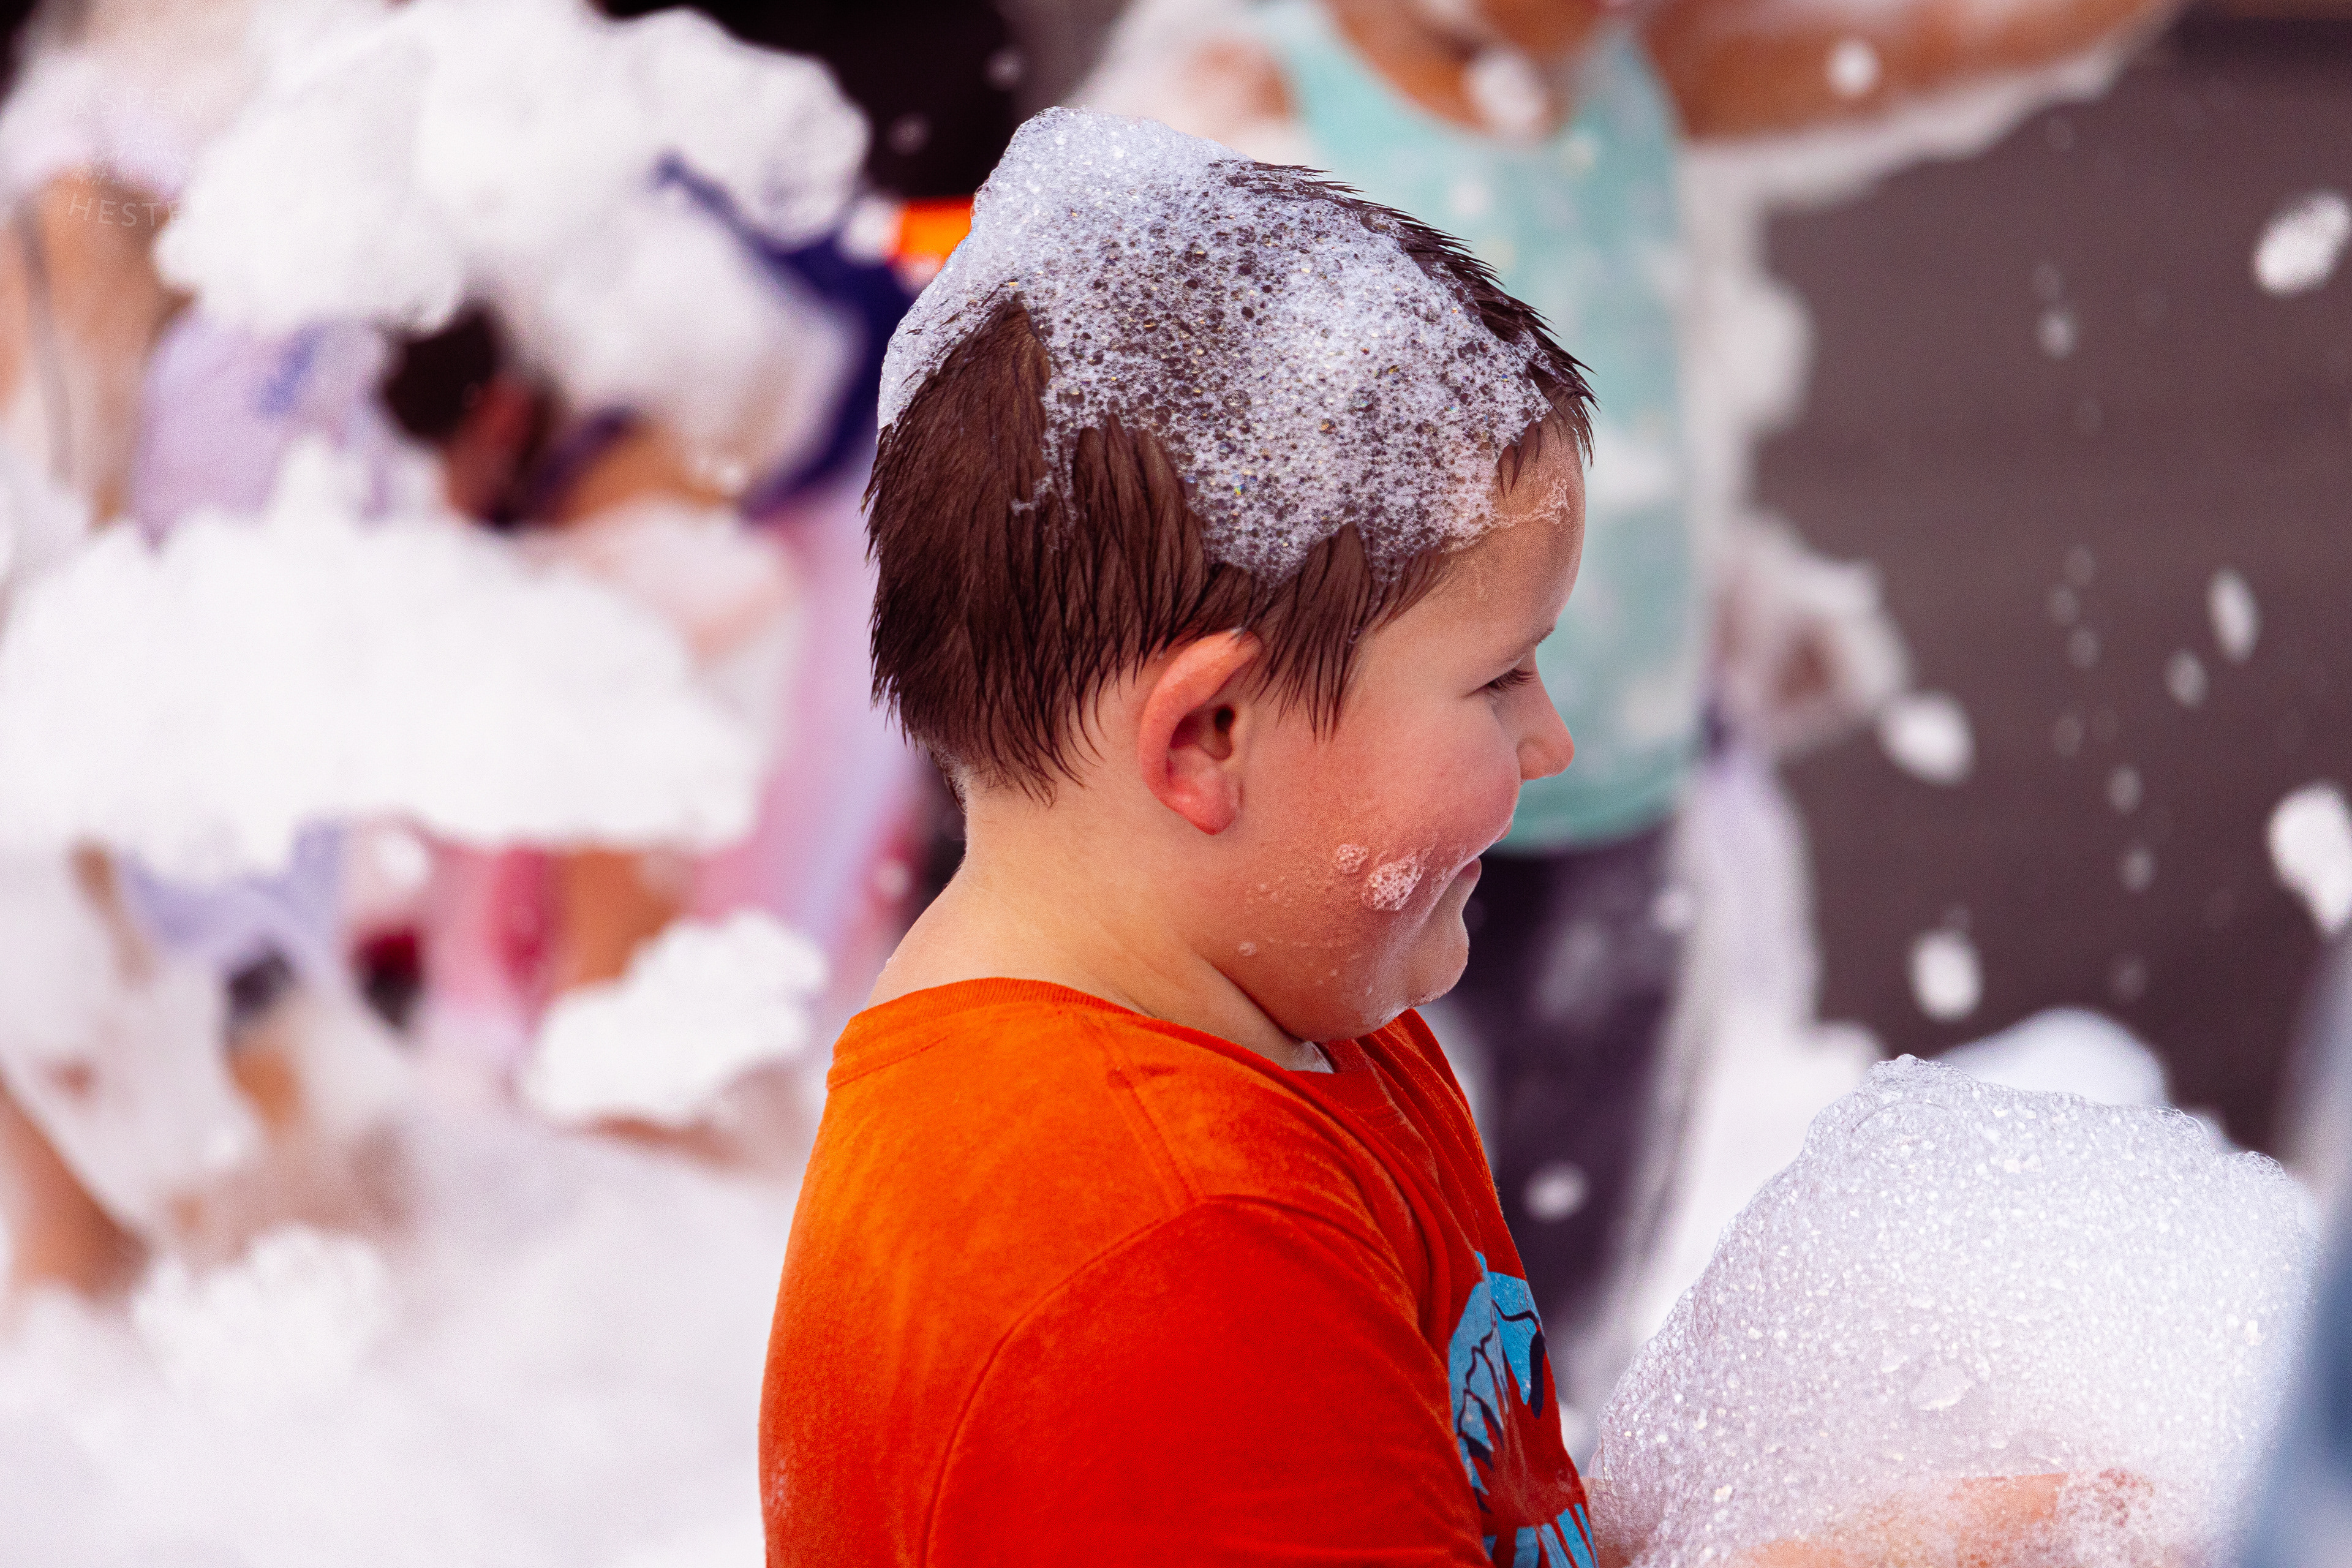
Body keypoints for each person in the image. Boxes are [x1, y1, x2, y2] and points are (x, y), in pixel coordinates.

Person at [1084, 0, 2181, 1417]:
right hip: (1347, 820)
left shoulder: (1637, 69)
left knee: (1562, 1265)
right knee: (1314, 1224)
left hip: (1615, 810)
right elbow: (1089, 477)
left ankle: (1533, 1461)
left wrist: (1724, 586)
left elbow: (1924, 43)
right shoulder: (1246, 98)